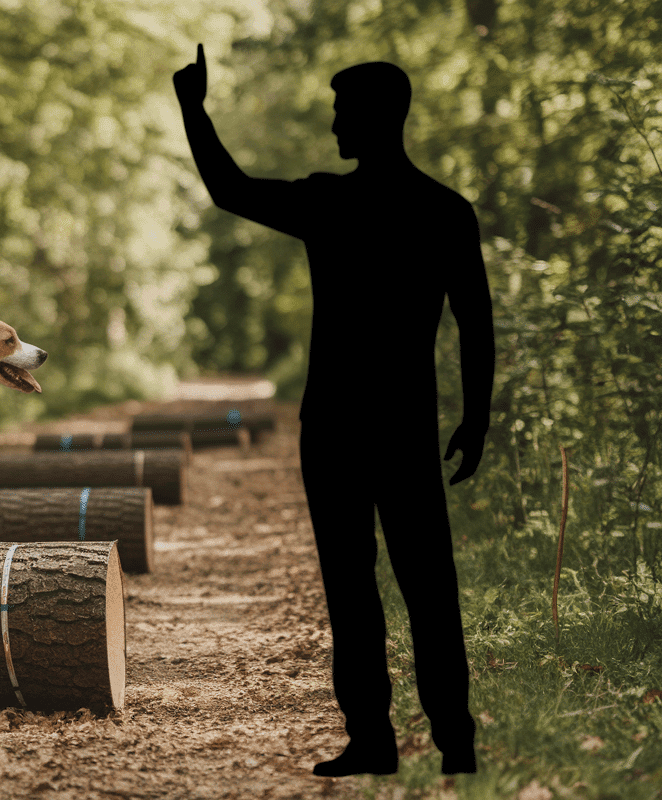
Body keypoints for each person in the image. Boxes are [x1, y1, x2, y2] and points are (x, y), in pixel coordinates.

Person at [173, 45, 495, 777]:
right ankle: (455, 744)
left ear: (378, 116)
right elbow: (476, 324)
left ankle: (376, 742)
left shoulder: (330, 202)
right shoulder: (446, 211)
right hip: (405, 427)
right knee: (427, 584)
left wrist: (194, 108)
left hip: (336, 431)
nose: (334, 123)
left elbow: (228, 188)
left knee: (352, 589)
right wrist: (476, 417)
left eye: (343, 110)